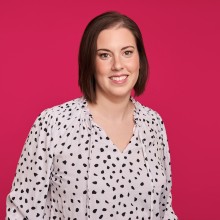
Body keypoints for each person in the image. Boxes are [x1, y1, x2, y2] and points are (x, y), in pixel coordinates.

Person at [6, 11, 178, 220]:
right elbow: (22, 212)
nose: (117, 65)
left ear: (140, 60)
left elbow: (164, 209)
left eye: (127, 52)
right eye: (104, 55)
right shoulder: (53, 124)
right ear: (90, 63)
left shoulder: (153, 124)